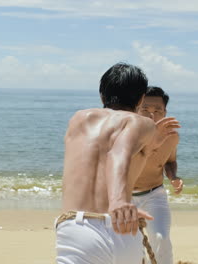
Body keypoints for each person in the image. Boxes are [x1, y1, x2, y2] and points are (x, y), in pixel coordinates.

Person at [55, 63, 180, 264]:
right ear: (141, 99)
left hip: (77, 228)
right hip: (123, 228)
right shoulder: (140, 123)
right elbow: (118, 152)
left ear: (102, 96)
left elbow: (108, 150)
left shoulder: (78, 119)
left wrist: (151, 144)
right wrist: (119, 200)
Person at [133, 86, 183, 264]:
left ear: (165, 112)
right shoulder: (127, 134)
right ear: (136, 109)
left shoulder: (171, 137)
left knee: (161, 239)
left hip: (154, 195)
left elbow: (169, 161)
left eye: (157, 110)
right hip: (124, 198)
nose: (151, 115)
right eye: (145, 110)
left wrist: (174, 177)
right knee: (131, 248)